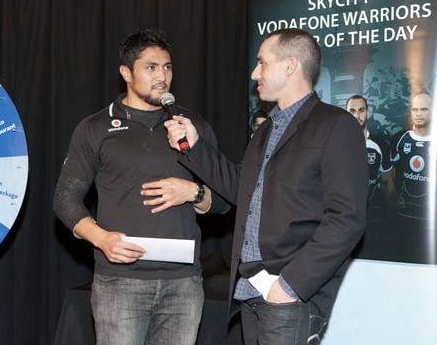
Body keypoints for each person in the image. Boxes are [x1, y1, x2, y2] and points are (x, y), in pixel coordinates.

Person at [165, 28, 368, 344]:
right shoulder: (265, 130)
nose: (254, 72)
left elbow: (346, 219)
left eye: (262, 63)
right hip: (251, 291)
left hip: (288, 297)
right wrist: (194, 144)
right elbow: (240, 187)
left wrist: (290, 285)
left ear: (289, 66)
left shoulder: (336, 126)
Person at [53, 28, 228, 345]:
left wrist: (194, 193)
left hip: (184, 283)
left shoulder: (193, 126)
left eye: (168, 67)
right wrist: (101, 238)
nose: (162, 76)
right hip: (120, 283)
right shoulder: (95, 127)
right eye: (151, 67)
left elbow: (225, 201)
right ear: (126, 73)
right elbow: (64, 198)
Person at [345, 94, 394, 260]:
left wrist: (388, 216)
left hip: (374, 218)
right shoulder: (336, 144)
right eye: (352, 111)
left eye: (361, 110)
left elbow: (388, 183)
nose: (357, 116)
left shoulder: (380, 145)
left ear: (368, 112)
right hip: (345, 220)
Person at [389, 92, 433, 263]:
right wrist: (395, 195)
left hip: (430, 221)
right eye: (415, 109)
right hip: (404, 216)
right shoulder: (400, 139)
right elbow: (392, 173)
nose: (419, 113)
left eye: (424, 109)